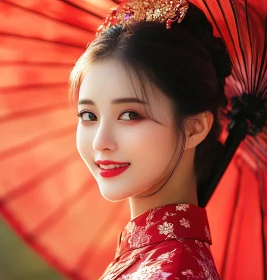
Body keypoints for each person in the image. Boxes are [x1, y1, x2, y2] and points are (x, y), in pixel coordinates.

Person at [69, 0, 231, 279]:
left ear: (194, 128)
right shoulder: (150, 258)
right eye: (88, 115)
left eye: (130, 115)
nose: (100, 142)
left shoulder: (175, 270)